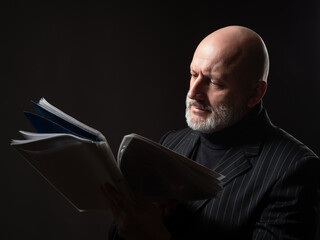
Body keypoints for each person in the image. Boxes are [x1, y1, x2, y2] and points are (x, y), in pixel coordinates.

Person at [103, 25, 320, 239]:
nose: (192, 92)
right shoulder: (171, 142)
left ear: (255, 93)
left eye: (214, 82)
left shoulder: (294, 169)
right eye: (193, 74)